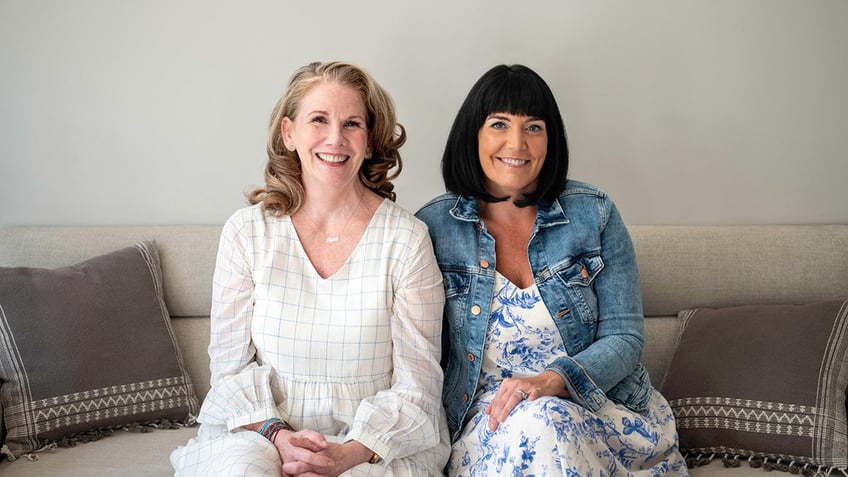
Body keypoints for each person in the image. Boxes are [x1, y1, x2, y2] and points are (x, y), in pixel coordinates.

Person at [171, 61, 450, 476]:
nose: (335, 139)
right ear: (289, 133)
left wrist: (347, 454)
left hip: (371, 442)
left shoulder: (407, 239)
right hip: (262, 432)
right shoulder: (247, 233)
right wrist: (280, 437)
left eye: (352, 124)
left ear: (370, 141)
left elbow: (418, 385)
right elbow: (228, 371)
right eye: (319, 120)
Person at [415, 64, 688, 476]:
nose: (517, 143)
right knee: (539, 425)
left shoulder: (593, 213)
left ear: (550, 138)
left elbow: (625, 337)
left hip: (598, 410)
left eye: (534, 127)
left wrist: (552, 381)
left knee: (545, 420)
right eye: (499, 124)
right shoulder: (434, 228)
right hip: (489, 426)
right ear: (473, 134)